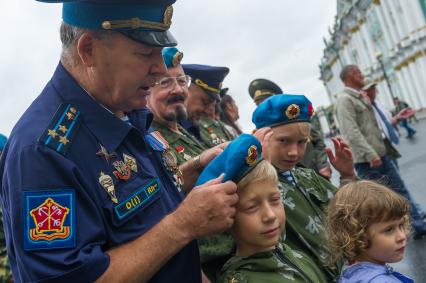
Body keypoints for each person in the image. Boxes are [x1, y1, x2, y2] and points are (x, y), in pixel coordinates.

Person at [0, 1, 239, 282]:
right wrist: (183, 226)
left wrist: (193, 170)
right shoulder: (43, 152)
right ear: (88, 50)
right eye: (145, 53)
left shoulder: (123, 110)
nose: (161, 69)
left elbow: (134, 203)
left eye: (160, 53)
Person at [252, 94, 357, 282]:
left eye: (301, 142)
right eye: (283, 141)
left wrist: (347, 175)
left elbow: (344, 211)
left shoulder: (306, 175)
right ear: (261, 138)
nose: (294, 152)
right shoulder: (254, 187)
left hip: (345, 271)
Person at [195, 134, 328, 283]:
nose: (270, 215)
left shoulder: (299, 257)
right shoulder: (244, 279)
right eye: (251, 207)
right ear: (227, 216)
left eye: (275, 199)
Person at [335, 65, 426, 238]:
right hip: (367, 160)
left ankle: (418, 224)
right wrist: (370, 153)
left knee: (401, 190)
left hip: (380, 154)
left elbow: (372, 125)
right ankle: (383, 237)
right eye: (358, 73)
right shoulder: (345, 100)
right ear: (350, 76)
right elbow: (351, 131)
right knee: (378, 200)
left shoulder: (359, 96)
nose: (362, 75)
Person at [326, 181, 413, 283]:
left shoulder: (351, 271)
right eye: (389, 229)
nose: (402, 236)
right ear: (356, 235)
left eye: (401, 225)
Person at [249, 79, 332, 179]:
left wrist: (322, 164)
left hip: (312, 173)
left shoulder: (295, 119)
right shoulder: (261, 131)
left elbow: (318, 142)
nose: (294, 152)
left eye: (301, 142)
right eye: (259, 104)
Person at [148, 47, 207, 166]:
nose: (178, 89)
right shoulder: (147, 144)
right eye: (165, 82)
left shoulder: (180, 131)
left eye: (182, 81)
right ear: (146, 89)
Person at [181, 64, 234, 148]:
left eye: (212, 104)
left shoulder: (194, 127)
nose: (207, 110)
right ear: (186, 88)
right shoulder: (170, 128)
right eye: (205, 102)